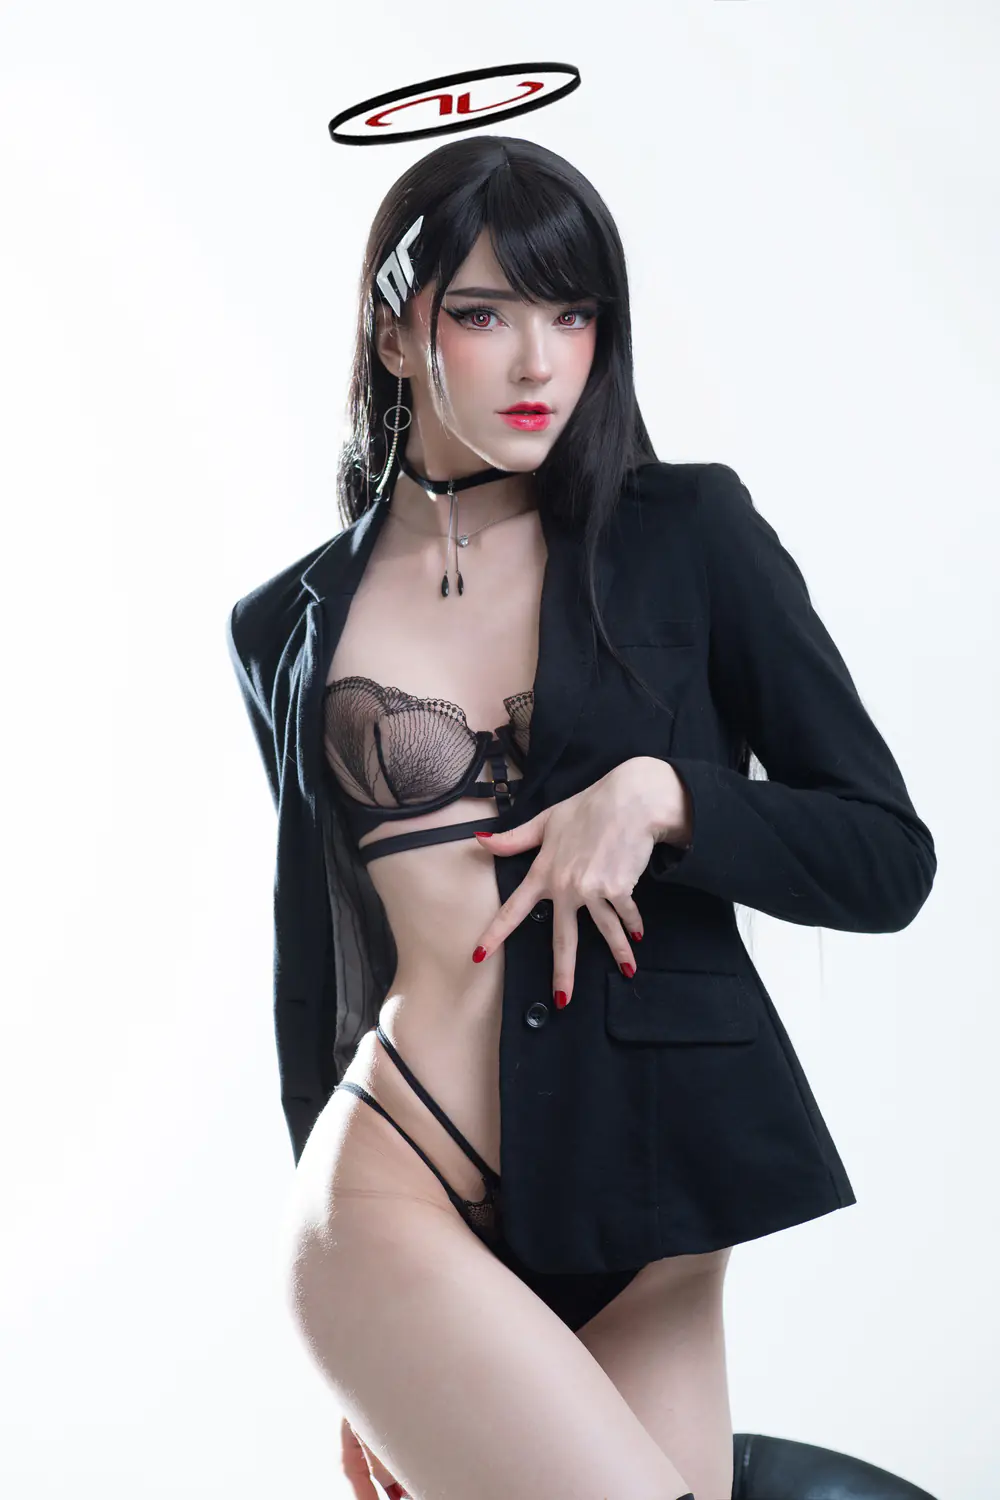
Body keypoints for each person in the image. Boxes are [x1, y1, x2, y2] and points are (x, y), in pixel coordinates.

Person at [227, 136, 935, 1500]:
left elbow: (887, 859)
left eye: (572, 315)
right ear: (395, 333)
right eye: (485, 315)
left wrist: (669, 795)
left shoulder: (689, 536)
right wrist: (377, 1360)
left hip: (651, 1200)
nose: (538, 362)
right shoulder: (287, 626)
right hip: (398, 1181)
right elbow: (314, 974)